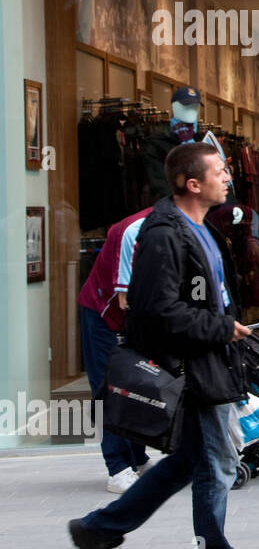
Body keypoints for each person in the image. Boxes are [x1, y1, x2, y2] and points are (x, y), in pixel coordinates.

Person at [68, 143, 259, 549]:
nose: (228, 177)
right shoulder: (162, 234)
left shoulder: (203, 230)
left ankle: (99, 530)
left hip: (209, 362)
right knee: (216, 464)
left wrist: (228, 330)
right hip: (191, 369)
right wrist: (220, 328)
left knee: (192, 461)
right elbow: (155, 311)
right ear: (193, 184)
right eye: (219, 171)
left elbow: (206, 297)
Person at [76, 207, 153, 493]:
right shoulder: (134, 230)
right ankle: (117, 467)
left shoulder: (184, 225)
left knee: (141, 386)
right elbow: (125, 299)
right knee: (110, 388)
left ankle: (138, 458)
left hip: (135, 320)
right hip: (104, 314)